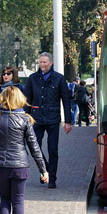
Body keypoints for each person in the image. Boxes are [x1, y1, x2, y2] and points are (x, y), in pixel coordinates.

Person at [0, 86, 49, 214]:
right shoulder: (25, 119)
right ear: (19, 100)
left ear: (3, 99)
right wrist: (43, 169)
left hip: (0, 165)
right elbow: (34, 147)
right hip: (20, 165)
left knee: (4, 198)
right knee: (18, 201)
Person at [24, 52, 71, 188]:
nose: (42, 65)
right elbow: (27, 99)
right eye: (41, 62)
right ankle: (44, 171)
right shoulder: (33, 78)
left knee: (52, 150)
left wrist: (68, 122)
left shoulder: (59, 78)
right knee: (34, 147)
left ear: (51, 63)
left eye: (45, 62)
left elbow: (66, 100)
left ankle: (52, 179)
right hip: (36, 118)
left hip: (53, 119)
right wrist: (25, 117)